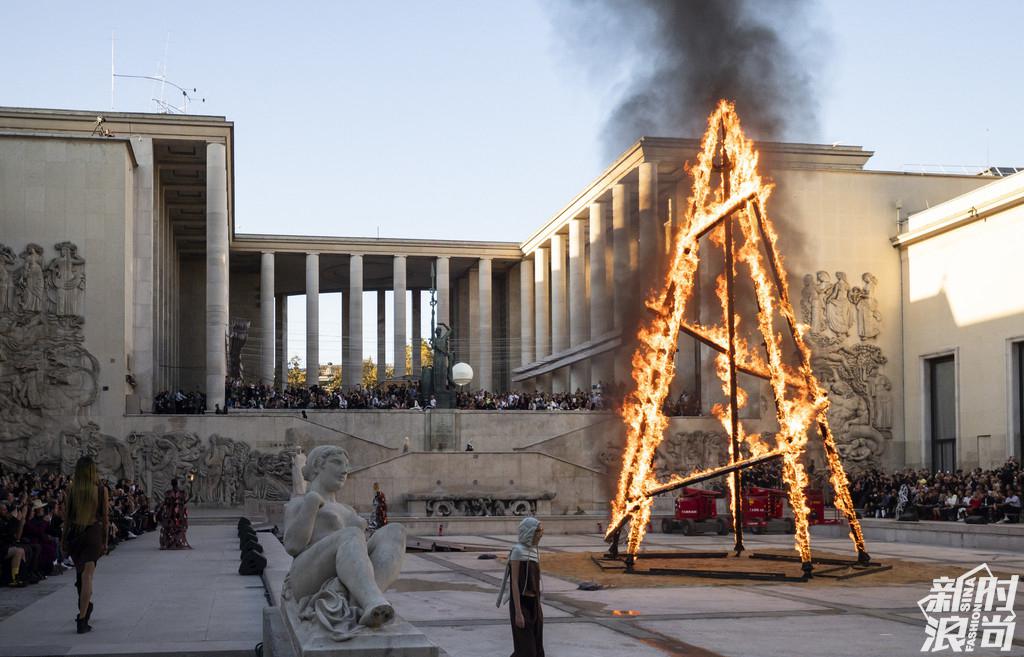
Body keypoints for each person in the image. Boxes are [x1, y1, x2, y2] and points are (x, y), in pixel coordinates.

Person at [282, 446, 406, 630]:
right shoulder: (299, 502)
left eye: (347, 465)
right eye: (337, 462)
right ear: (317, 467)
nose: (345, 470)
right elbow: (293, 546)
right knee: (351, 534)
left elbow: (359, 556)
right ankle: (371, 600)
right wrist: (312, 503)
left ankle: (362, 603)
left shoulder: (349, 510)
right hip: (307, 576)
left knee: (395, 531)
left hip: (345, 574)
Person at [62, 456, 108, 634]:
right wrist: (104, 541)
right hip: (92, 533)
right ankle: (82, 618)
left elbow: (66, 519)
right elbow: (105, 518)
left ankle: (84, 608)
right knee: (87, 576)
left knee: (80, 575)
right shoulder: (101, 489)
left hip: (75, 534)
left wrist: (63, 539)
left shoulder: (71, 489)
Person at [496, 517, 545, 657]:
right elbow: (515, 584)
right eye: (538, 531)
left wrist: (539, 609)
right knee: (526, 650)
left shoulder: (535, 551)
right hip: (521, 603)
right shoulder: (517, 551)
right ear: (529, 532)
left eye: (541, 530)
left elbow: (535, 580)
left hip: (534, 604)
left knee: (536, 648)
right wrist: (518, 612)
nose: (541, 534)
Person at [158, 479, 191, 549]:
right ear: (177, 483)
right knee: (177, 527)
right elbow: (184, 502)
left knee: (172, 527)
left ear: (171, 484)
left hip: (172, 513)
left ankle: (171, 542)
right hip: (177, 512)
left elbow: (165, 502)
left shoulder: (169, 493)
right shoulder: (181, 493)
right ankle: (175, 542)